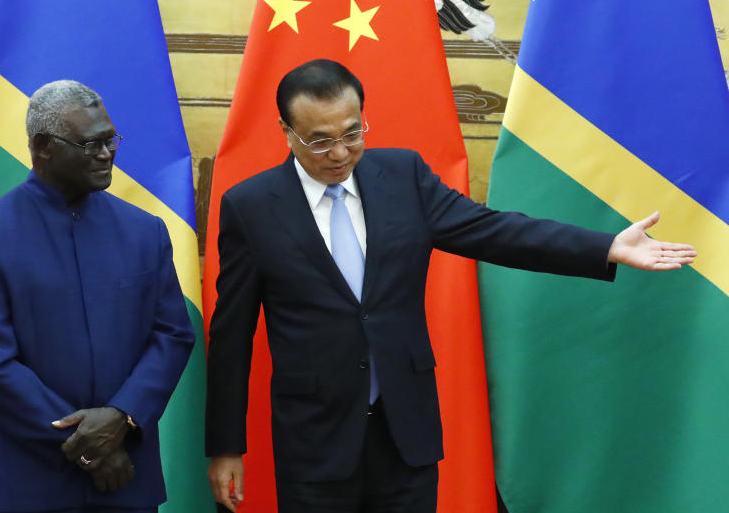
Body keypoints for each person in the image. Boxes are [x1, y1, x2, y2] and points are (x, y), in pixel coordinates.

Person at [204, 59, 696, 513]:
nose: (339, 153)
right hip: (315, 441)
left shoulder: (403, 176)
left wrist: (606, 245)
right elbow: (231, 337)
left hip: (406, 432)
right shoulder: (252, 207)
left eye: (352, 133)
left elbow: (497, 231)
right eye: (318, 140)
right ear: (286, 132)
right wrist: (225, 446)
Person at [0, 80, 196, 513]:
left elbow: (172, 335)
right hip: (29, 482)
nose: (107, 154)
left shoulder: (145, 232)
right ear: (44, 146)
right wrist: (88, 447)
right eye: (91, 143)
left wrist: (122, 416)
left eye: (110, 139)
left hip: (125, 478)